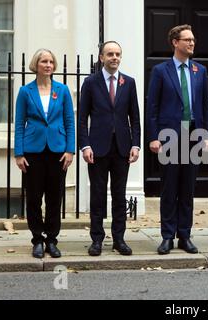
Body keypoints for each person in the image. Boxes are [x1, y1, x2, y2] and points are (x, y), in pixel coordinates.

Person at [147, 24, 208, 255]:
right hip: (168, 138)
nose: (192, 43)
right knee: (169, 188)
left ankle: (185, 235)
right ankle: (167, 236)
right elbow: (152, 106)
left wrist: (206, 135)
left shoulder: (200, 71)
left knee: (187, 189)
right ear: (175, 42)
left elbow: (205, 105)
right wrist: (154, 137)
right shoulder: (161, 71)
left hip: (193, 136)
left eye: (193, 39)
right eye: (187, 40)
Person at [78, 41, 141, 256]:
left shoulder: (129, 83)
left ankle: (119, 239)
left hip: (122, 147)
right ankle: (97, 239)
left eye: (118, 54)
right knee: (97, 195)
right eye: (110, 54)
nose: (114, 57)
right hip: (97, 148)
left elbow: (135, 117)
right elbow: (82, 118)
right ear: (101, 57)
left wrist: (136, 144)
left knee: (119, 194)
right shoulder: (90, 83)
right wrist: (84, 145)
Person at [14, 49, 75, 258]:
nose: (48, 65)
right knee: (33, 197)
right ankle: (37, 239)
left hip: (58, 151)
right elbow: (19, 124)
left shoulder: (63, 90)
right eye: (44, 61)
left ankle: (51, 239)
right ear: (36, 65)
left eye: (51, 61)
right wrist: (18, 153)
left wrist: (70, 150)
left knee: (54, 197)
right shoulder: (25, 91)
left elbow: (69, 121)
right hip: (33, 151)